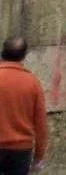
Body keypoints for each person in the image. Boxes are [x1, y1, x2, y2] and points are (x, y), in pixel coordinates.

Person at [0, 39, 46, 173]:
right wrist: (39, 156)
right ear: (24, 55)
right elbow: (41, 124)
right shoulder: (33, 82)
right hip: (21, 150)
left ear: (3, 52)